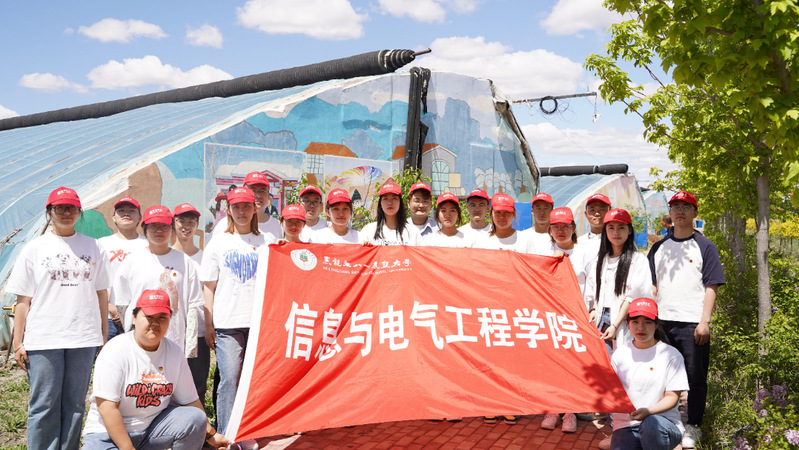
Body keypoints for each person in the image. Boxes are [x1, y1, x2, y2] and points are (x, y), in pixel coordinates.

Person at [8, 186, 110, 450]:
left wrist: (101, 335)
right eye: (60, 208)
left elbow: (101, 293)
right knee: (44, 404)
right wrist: (18, 342)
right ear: (49, 212)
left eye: (72, 208)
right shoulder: (34, 248)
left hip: (83, 337)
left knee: (75, 404)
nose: (66, 212)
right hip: (44, 338)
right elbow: (23, 300)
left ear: (79, 211)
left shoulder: (93, 246)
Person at [82, 289, 230, 449]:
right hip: (107, 435)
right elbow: (106, 408)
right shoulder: (115, 350)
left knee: (195, 417)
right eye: (149, 317)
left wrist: (212, 435)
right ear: (134, 317)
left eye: (162, 317)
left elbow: (190, 401)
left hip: (151, 432)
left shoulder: (174, 352)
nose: (155, 323)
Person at [648, 191, 725, 448]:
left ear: (695, 212)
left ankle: (694, 425)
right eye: (675, 206)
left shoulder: (705, 246)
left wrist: (705, 321)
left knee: (695, 377)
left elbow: (712, 285)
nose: (680, 211)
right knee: (661, 376)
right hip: (661, 322)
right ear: (669, 212)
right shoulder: (658, 248)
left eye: (686, 206)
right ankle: (662, 421)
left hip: (692, 323)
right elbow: (653, 286)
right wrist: (650, 319)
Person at [200, 187, 273, 434]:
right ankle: (226, 435)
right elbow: (209, 287)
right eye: (236, 207)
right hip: (227, 324)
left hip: (260, 323)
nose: (242, 211)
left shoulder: (268, 241)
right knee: (229, 379)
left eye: (246, 206)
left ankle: (251, 431)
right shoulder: (218, 242)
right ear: (229, 210)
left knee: (255, 381)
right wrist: (208, 324)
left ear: (255, 208)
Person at [113, 206, 204, 358]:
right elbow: (122, 304)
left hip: (174, 340)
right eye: (153, 226)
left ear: (172, 229)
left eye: (164, 226)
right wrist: (133, 329)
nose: (159, 230)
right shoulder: (132, 261)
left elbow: (193, 306)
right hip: (139, 341)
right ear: (145, 229)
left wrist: (190, 347)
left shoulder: (185, 261)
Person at [610, 297, 689, 450]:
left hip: (663, 423)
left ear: (656, 325)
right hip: (627, 424)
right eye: (635, 322)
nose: (641, 328)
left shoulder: (671, 355)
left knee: (651, 424)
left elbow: (672, 397)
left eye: (647, 322)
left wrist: (648, 412)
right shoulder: (620, 354)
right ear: (628, 323)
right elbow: (611, 391)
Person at [585, 209, 653, 354]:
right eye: (611, 228)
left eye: (621, 227)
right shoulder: (600, 260)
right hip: (601, 319)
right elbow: (593, 288)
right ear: (605, 231)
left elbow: (633, 296)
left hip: (623, 320)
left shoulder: (637, 260)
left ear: (629, 230)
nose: (616, 232)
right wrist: (594, 309)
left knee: (622, 360)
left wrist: (615, 325)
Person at [170, 202, 210, 405]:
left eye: (191, 221)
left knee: (197, 383)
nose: (186, 226)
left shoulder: (205, 258)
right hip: (171, 332)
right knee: (170, 381)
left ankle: (199, 421)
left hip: (199, 332)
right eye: (181, 221)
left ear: (197, 225)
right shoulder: (167, 256)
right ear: (173, 223)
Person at [98, 196, 148, 340]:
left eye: (132, 211)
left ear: (140, 218)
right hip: (108, 316)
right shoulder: (101, 244)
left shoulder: (148, 245)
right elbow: (94, 281)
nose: (126, 213)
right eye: (121, 211)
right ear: (113, 217)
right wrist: (110, 308)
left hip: (139, 316)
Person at [212, 171, 281, 241]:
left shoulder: (276, 225)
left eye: (262, 191)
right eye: (253, 190)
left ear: (268, 194)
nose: (258, 196)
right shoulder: (224, 225)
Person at [360, 181, 421, 246]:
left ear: (400, 203)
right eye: (385, 199)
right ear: (380, 204)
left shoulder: (413, 232)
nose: (389, 203)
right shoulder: (368, 230)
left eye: (394, 198)